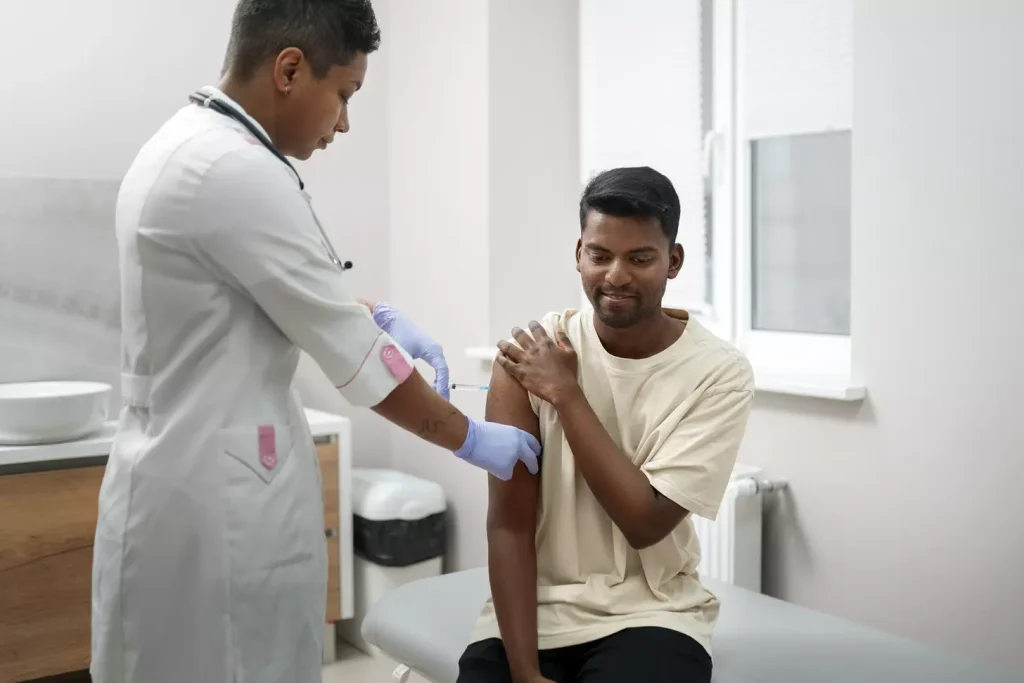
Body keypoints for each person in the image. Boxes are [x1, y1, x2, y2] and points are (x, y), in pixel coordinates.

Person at [90, 2, 540, 682]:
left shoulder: (187, 146)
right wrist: (471, 438)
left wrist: (372, 315)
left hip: (174, 479)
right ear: (290, 70)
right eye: (345, 94)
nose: (345, 122)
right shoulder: (235, 171)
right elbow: (356, 359)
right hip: (218, 507)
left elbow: (257, 296)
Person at [456, 167, 755, 683]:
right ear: (579, 254)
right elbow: (509, 524)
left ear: (673, 261)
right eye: (600, 255)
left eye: (639, 258)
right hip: (537, 612)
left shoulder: (719, 373)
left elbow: (644, 523)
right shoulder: (529, 356)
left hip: (653, 614)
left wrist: (566, 393)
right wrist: (525, 672)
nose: (616, 276)